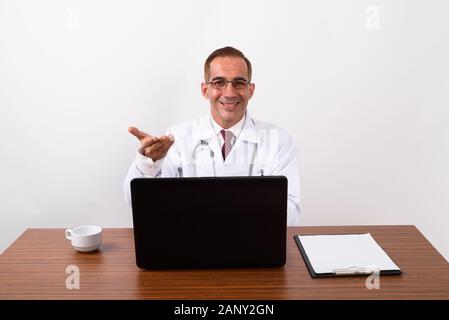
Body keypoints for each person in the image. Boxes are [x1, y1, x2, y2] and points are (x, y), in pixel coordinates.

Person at [124, 46, 301, 225]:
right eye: (218, 82)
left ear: (251, 90)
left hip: (255, 245)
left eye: (239, 82)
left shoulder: (278, 140)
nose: (230, 92)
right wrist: (149, 162)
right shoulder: (176, 138)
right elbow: (137, 202)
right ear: (205, 90)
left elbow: (290, 212)